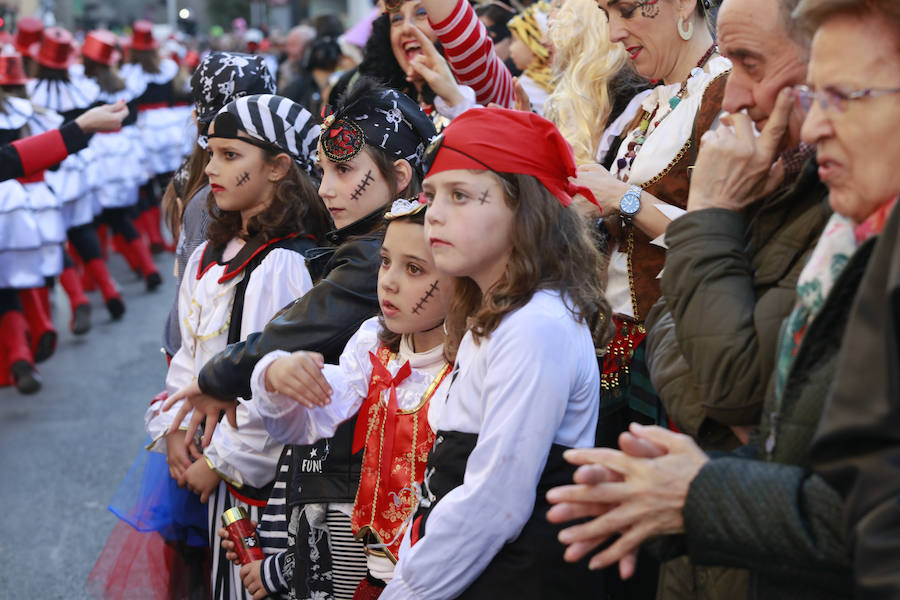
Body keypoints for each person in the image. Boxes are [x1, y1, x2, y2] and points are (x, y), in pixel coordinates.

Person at [546, 2, 900, 597]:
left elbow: (737, 389)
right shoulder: (788, 183)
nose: (813, 124)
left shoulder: (818, 202)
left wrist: (703, 215)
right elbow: (671, 324)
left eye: (841, 95)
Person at [165, 78, 438, 600]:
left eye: (343, 171)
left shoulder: (368, 254)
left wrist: (219, 375)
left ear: (400, 177)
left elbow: (293, 330)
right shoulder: (356, 245)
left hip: (350, 481)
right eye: (324, 170)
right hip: (319, 472)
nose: (327, 188)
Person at [372, 107, 609, 600]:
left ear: (525, 210)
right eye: (432, 194)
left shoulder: (536, 325)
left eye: (460, 195)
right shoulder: (501, 317)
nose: (433, 212)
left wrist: (408, 593)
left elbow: (494, 503)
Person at [640, 0, 832, 595]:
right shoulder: (772, 180)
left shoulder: (838, 212)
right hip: (713, 546)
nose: (732, 98)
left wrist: (711, 212)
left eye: (750, 64)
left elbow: (733, 383)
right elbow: (661, 317)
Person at [143, 94, 329, 600]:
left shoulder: (284, 264)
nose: (212, 170)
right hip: (214, 462)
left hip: (261, 480)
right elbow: (190, 355)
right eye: (212, 153)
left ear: (278, 167)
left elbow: (276, 385)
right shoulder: (208, 253)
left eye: (230, 156)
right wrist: (174, 428)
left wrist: (219, 462)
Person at [225, 199, 453, 599]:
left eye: (414, 268)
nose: (390, 282)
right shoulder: (372, 344)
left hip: (438, 576)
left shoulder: (471, 363)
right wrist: (275, 376)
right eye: (385, 261)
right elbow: (304, 425)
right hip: (371, 570)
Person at [798, 0, 900, 598]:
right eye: (816, 98)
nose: (811, 128)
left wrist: (702, 493)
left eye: (844, 96)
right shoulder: (862, 235)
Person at [160, 52, 277, 361]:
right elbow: (191, 290)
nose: (215, 169)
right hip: (219, 360)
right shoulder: (207, 197)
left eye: (231, 155)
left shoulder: (190, 178)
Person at [80, 30, 162, 293]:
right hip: (125, 153)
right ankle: (147, 265)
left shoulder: (80, 89)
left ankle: (95, 280)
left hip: (94, 156)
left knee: (94, 218)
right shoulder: (123, 84)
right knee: (124, 213)